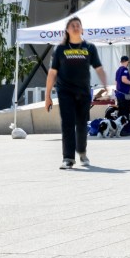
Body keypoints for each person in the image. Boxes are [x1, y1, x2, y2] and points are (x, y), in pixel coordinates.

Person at [44, 16, 109, 170]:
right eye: (72, 25)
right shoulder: (60, 49)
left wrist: (106, 85)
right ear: (67, 30)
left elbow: (99, 68)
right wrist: (47, 96)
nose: (75, 27)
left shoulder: (89, 48)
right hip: (65, 92)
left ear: (82, 29)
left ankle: (81, 151)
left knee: (81, 124)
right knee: (67, 124)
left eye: (77, 25)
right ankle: (68, 158)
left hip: (83, 92)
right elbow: (52, 73)